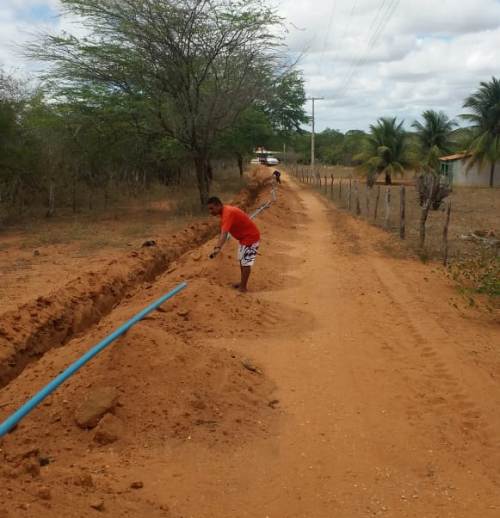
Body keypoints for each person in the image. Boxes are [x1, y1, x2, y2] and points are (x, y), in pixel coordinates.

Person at [207, 197, 260, 293]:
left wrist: (217, 247)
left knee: (246, 263)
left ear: (218, 205)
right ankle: (242, 283)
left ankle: (243, 288)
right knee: (242, 261)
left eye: (212, 208)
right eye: (209, 209)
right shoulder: (224, 212)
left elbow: (224, 233)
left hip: (250, 237)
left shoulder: (228, 213)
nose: (210, 211)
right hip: (244, 238)